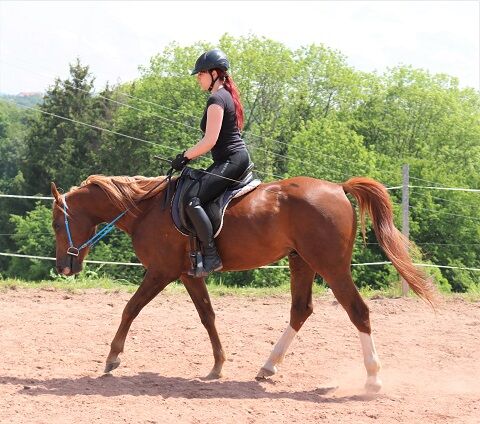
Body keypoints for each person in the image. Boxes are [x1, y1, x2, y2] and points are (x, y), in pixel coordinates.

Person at [170, 48, 251, 276]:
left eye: (201, 73)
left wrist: (185, 156)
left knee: (191, 199)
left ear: (214, 73)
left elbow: (210, 140)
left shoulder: (217, 99)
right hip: (231, 159)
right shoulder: (224, 95)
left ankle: (212, 256)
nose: (198, 77)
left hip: (232, 160)